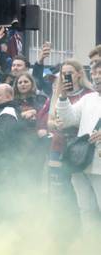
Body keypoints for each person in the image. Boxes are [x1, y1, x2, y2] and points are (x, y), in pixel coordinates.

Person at [54, 60, 101, 228]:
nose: (97, 77)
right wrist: (63, 96)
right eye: (94, 73)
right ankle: (89, 242)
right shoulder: (89, 98)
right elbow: (68, 119)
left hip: (99, 166)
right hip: (81, 162)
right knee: (85, 209)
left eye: (100, 73)